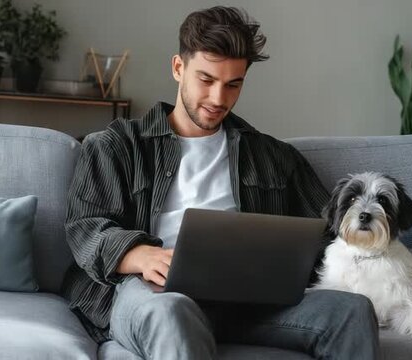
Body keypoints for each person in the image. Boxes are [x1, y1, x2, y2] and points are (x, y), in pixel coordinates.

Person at [61, 6, 380, 360]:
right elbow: (84, 226)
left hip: (249, 305)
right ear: (178, 68)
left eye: (233, 84)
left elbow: (330, 232)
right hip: (156, 296)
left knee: (352, 311)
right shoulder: (117, 145)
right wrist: (139, 254)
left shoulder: (273, 157)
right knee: (171, 314)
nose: (218, 99)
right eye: (206, 80)